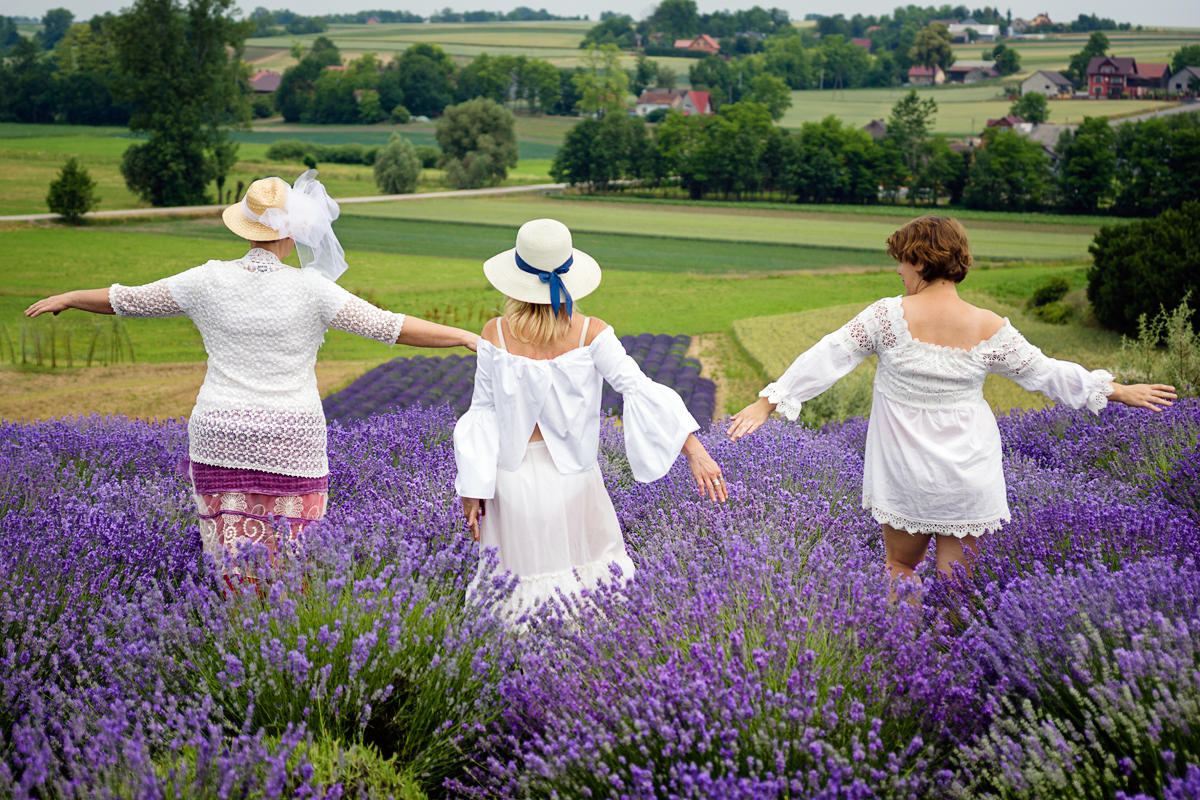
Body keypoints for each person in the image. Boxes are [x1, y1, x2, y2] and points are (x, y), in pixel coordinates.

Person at [26, 171, 479, 579]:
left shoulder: (206, 280)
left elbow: (126, 299)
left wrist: (69, 295)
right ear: (295, 231)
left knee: (231, 565)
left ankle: (235, 643)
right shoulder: (312, 289)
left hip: (219, 434)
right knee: (291, 568)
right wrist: (461, 334)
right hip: (292, 439)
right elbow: (390, 327)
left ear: (244, 226)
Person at [726, 215, 1176, 588]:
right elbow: (1046, 373)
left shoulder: (886, 316)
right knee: (957, 589)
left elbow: (829, 355)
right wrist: (1116, 391)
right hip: (969, 473)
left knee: (900, 569)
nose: (898, 271)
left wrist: (770, 401)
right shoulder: (989, 326)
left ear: (921, 261)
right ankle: (947, 671)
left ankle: (905, 665)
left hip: (906, 473)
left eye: (902, 262)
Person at [454, 218, 727, 617]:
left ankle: (515, 673)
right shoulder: (591, 333)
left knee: (515, 589)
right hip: (575, 481)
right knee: (590, 589)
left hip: (510, 482)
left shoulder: (494, 333)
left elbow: (481, 413)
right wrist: (694, 450)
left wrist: (472, 486)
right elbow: (638, 388)